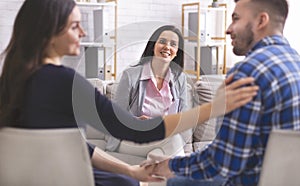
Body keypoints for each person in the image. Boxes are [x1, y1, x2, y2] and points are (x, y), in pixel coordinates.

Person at [0, 0, 258, 185]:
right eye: (74, 26)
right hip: (62, 177)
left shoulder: (11, 79)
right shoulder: (63, 81)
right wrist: (213, 108)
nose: (84, 32)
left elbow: (78, 147)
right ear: (49, 31)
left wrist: (130, 171)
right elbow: (136, 129)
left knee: (125, 179)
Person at [145, 0, 300, 185]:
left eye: (236, 19)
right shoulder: (295, 63)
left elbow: (219, 164)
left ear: (261, 21)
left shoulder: (248, 73)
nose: (228, 29)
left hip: (245, 180)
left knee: (164, 181)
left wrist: (169, 166)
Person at [106, 25, 194, 157]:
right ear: (153, 46)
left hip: (164, 140)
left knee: (160, 155)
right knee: (173, 141)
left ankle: (152, 171)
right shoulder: (130, 75)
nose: (167, 47)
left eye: (173, 44)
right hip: (132, 138)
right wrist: (135, 121)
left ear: (176, 52)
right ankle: (184, 172)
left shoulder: (179, 79)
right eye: (162, 42)